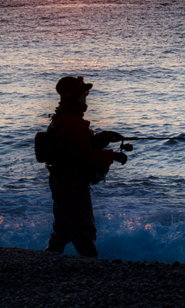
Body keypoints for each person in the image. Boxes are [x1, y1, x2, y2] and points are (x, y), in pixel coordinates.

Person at [44, 75, 127, 257]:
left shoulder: (65, 117)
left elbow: (78, 147)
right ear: (75, 96)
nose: (87, 96)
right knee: (84, 231)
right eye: (85, 92)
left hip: (60, 180)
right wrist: (114, 156)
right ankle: (91, 267)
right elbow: (87, 156)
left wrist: (103, 138)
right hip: (71, 185)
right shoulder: (73, 122)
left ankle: (48, 261)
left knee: (63, 228)